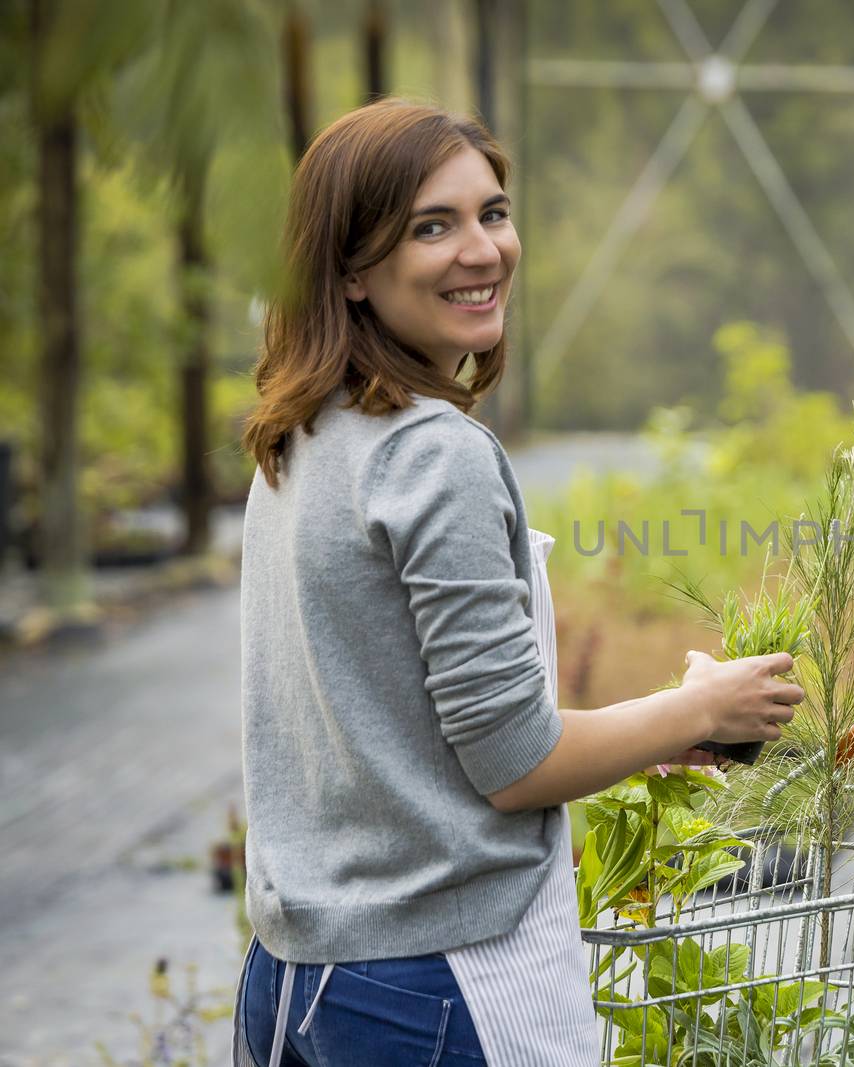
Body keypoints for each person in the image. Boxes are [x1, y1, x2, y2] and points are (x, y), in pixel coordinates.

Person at [233, 99, 803, 1067]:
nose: (482, 249)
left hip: (295, 981)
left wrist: (635, 737)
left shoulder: (299, 436)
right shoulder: (432, 453)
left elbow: (404, 724)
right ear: (350, 272)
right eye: (430, 226)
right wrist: (700, 705)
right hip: (439, 984)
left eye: (491, 213)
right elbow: (514, 766)